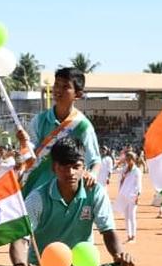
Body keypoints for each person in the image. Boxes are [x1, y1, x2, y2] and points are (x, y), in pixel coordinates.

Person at [16, 68, 102, 200]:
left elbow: (95, 160)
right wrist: (23, 143)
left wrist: (93, 174)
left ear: (77, 94)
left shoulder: (83, 126)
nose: (58, 90)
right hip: (37, 191)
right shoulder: (39, 121)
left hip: (67, 195)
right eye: (56, 85)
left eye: (65, 86)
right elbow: (28, 156)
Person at [114, 152, 143, 243]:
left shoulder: (137, 171)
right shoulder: (125, 169)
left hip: (132, 196)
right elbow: (113, 170)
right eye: (126, 159)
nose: (127, 160)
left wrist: (137, 196)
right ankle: (129, 236)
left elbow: (139, 185)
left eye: (129, 159)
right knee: (126, 217)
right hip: (124, 195)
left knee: (132, 216)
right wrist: (118, 163)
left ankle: (133, 236)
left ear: (133, 159)